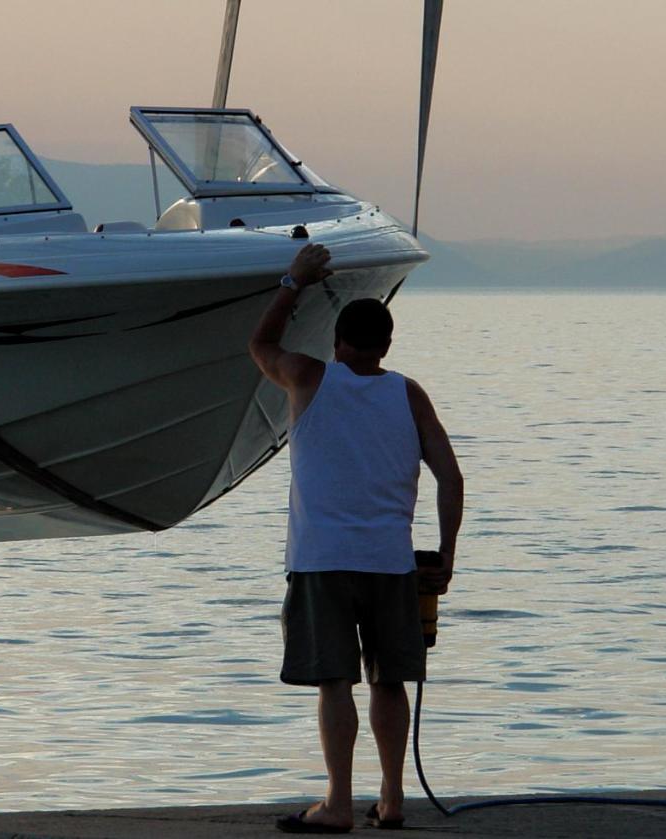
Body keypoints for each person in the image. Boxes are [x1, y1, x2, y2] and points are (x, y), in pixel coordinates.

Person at [248, 243, 463, 834]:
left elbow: (260, 345)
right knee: (389, 681)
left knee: (335, 681)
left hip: (322, 560)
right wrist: (446, 554)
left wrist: (294, 281)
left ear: (337, 342)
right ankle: (392, 800)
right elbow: (451, 476)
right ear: (387, 346)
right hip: (390, 562)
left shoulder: (309, 377)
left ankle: (338, 804)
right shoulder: (408, 393)